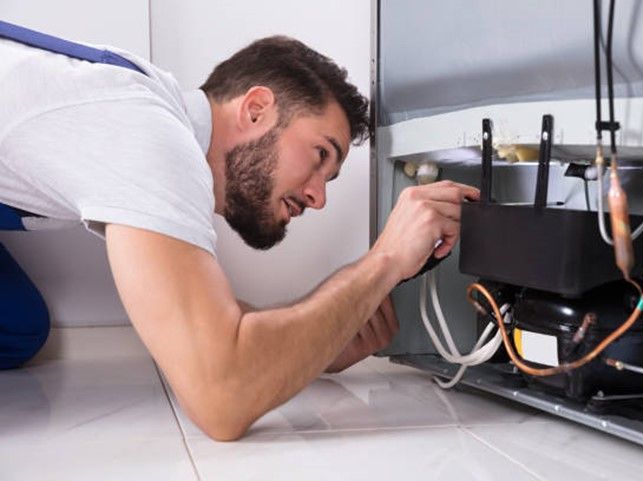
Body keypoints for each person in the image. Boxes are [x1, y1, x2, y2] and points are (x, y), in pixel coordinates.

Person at [0, 31, 479, 440]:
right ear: (255, 109)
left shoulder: (151, 114)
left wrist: (316, 344)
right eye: (319, 155)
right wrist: (386, 260)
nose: (318, 198)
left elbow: (206, 316)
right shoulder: (147, 134)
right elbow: (221, 396)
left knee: (21, 328)